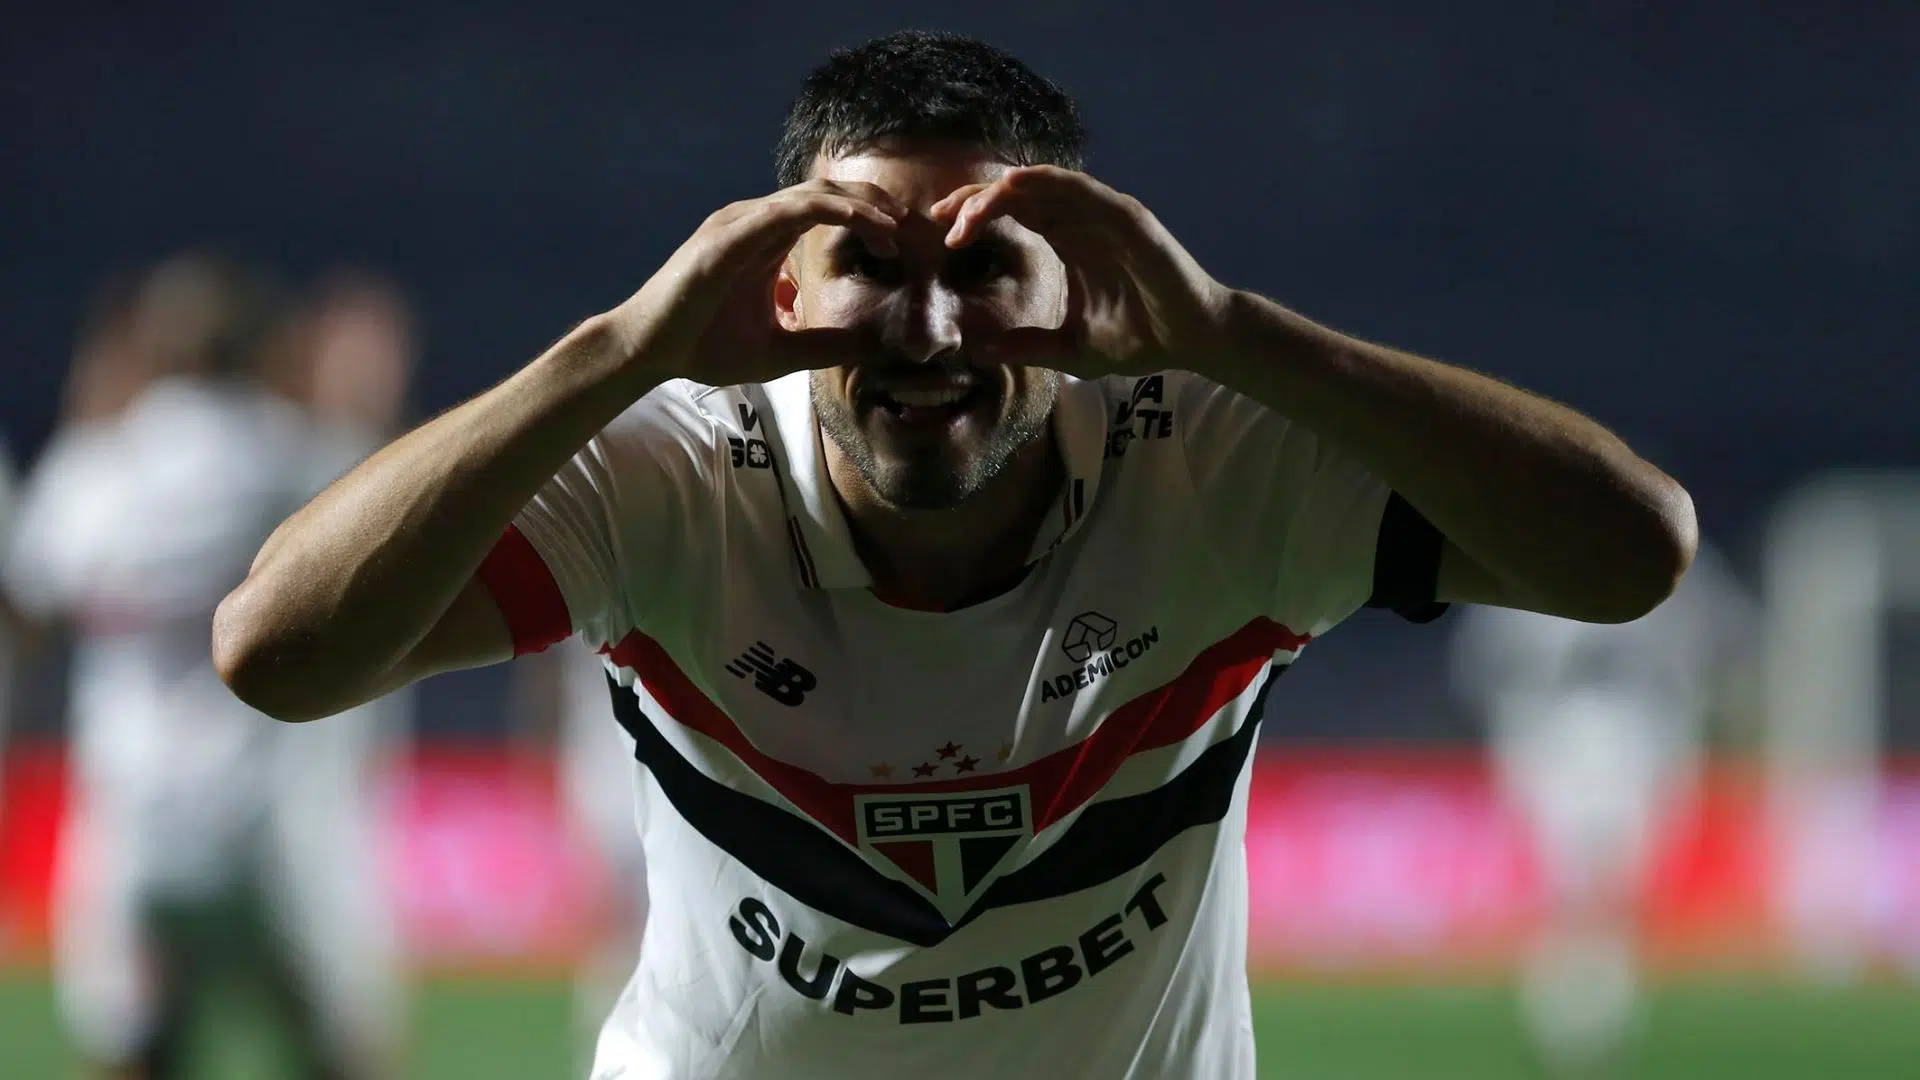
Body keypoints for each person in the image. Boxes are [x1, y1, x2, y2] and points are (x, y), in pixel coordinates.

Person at [212, 31, 1697, 1080]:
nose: (929, 330)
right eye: (870, 262)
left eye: (986, 263)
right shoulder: (668, 459)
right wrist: (614, 348)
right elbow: (275, 655)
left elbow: (1633, 555)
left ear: (1084, 278)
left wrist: (1230, 329)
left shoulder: (1216, 456)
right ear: (782, 279)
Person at [4, 254, 407, 1080]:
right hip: (278, 830)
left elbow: (29, 601)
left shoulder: (100, 471)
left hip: (138, 828)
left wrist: (96, 411)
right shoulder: (304, 458)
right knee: (346, 1058)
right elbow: (403, 511)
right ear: (266, 354)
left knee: (136, 1051)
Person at [1448, 539, 1756, 1075]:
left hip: (1639, 731)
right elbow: (1483, 665)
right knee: (1571, 891)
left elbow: (1725, 639)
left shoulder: (1664, 545)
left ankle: (1600, 1018)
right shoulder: (1524, 553)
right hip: (1556, 730)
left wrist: (1697, 707)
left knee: (1617, 892)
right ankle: (1568, 1021)